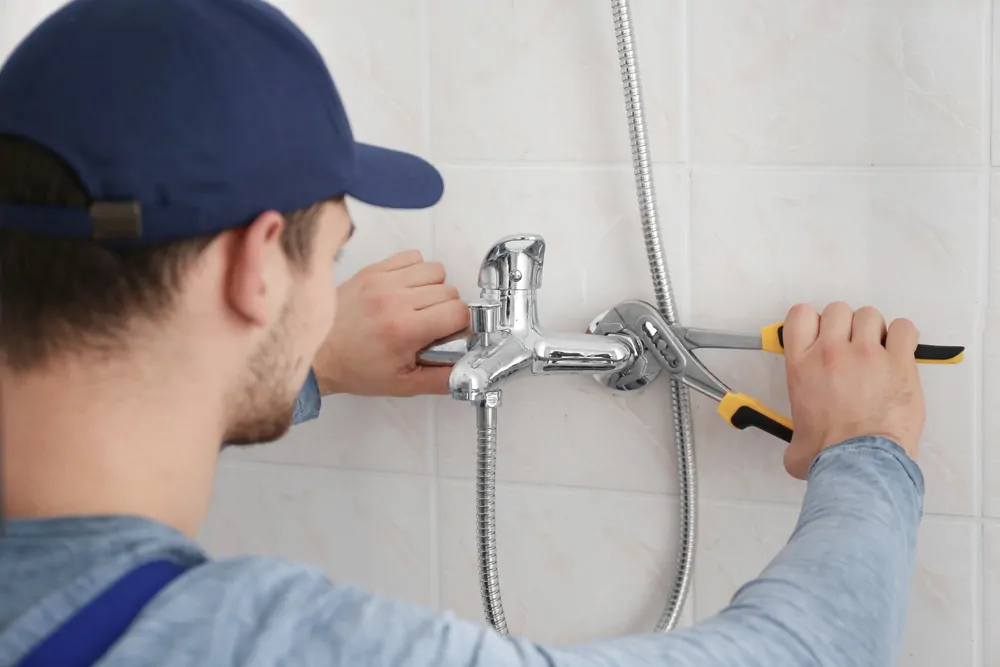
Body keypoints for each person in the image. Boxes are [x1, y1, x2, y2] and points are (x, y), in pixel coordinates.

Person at [0, 1, 925, 666]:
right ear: (255, 270)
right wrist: (866, 452)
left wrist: (302, 358)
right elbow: (806, 650)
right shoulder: (247, 642)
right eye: (331, 259)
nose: (328, 296)